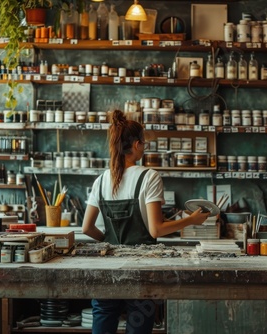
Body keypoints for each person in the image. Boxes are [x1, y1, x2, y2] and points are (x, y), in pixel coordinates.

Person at [82, 109, 210, 334]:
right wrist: (190, 219)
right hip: (143, 267)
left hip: (107, 265)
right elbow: (156, 229)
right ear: (137, 145)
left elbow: (87, 228)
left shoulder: (101, 180)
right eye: (144, 142)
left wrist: (111, 242)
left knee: (103, 317)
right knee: (139, 323)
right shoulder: (149, 176)